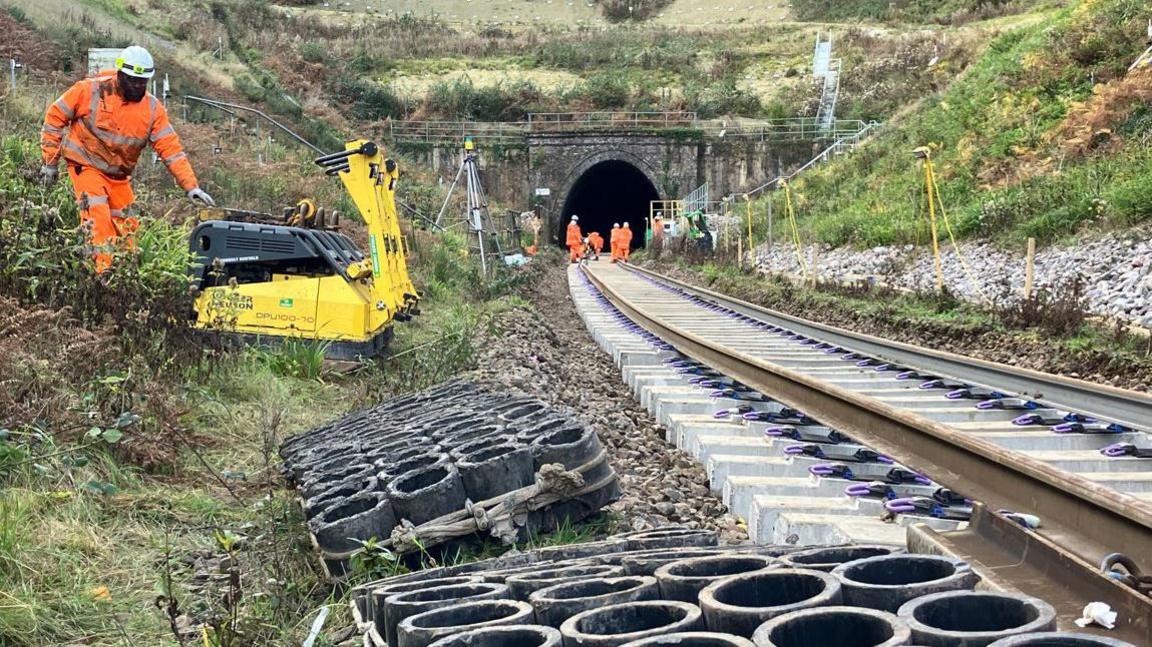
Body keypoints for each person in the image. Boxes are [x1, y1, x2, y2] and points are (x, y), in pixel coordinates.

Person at [40, 46, 214, 273]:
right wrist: (49, 163)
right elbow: (54, 119)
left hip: (119, 178)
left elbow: (170, 149)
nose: (137, 86)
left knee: (129, 230)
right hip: (86, 166)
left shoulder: (152, 109)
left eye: (142, 82)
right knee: (98, 220)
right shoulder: (90, 90)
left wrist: (191, 187)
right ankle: (103, 277)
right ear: (120, 74)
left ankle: (124, 275)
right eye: (132, 80)